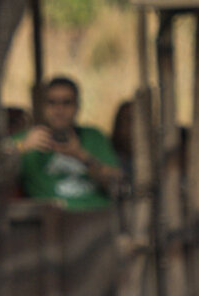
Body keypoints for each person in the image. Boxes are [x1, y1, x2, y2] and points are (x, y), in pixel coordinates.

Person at [16, 76, 122, 212]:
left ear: (77, 106)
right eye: (52, 103)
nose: (59, 110)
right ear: (42, 107)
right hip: (51, 222)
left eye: (67, 103)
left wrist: (81, 156)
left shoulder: (93, 137)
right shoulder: (26, 140)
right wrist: (22, 148)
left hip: (98, 217)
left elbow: (117, 182)